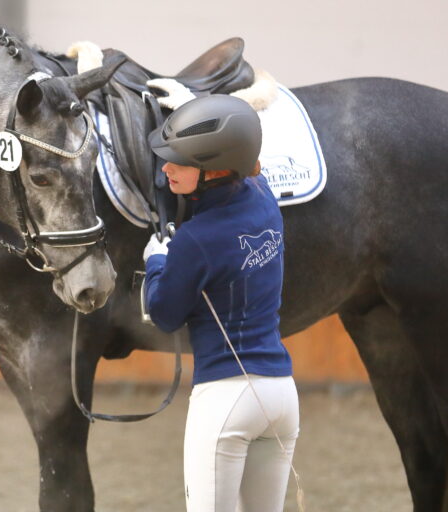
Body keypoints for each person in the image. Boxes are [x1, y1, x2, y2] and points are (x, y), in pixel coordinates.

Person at [143, 94, 299, 512]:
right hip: (282, 397)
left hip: (225, 399)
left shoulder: (194, 240)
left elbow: (164, 314)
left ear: (215, 170)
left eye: (180, 161)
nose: (166, 169)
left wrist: (157, 261)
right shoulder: (265, 198)